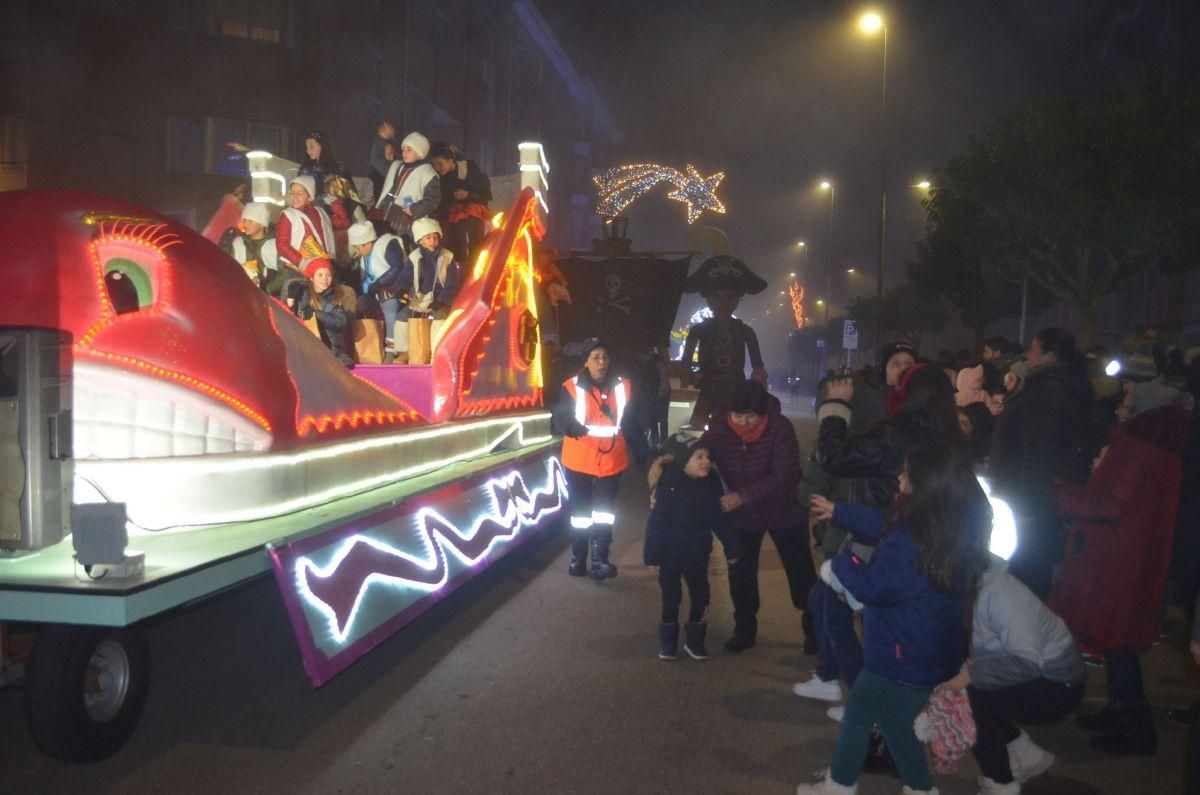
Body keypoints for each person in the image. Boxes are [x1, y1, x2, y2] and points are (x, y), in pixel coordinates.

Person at [798, 442, 990, 795]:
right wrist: (839, 511)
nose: (899, 477)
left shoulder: (910, 541)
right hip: (931, 653)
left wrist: (837, 566)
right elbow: (883, 522)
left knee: (858, 714)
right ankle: (918, 788)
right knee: (894, 722)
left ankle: (837, 788)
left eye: (906, 474)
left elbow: (874, 588)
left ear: (923, 485)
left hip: (900, 656)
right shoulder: (947, 525)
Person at [1049, 389, 1191, 756]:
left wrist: (1064, 496)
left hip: (1116, 560)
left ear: (1144, 411)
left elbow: (1112, 503)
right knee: (1117, 643)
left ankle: (1136, 729)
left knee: (1117, 644)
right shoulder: (1163, 448)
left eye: (1127, 403)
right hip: (1133, 557)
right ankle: (1118, 713)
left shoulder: (1135, 447)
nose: (1119, 408)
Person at [938, 553, 1085, 794]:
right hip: (1038, 673)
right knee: (974, 691)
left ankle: (1000, 783)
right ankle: (1024, 756)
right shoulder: (973, 587)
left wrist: (970, 676)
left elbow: (1027, 662)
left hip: (1061, 684)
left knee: (976, 705)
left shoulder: (1000, 593)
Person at [701, 379, 813, 653]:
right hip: (743, 517)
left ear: (762, 413)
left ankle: (815, 631)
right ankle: (744, 629)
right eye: (738, 416)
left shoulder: (779, 427)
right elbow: (698, 456)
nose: (744, 422)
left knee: (801, 574)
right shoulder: (719, 428)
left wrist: (742, 496)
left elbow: (784, 477)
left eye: (751, 416)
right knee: (741, 573)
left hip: (784, 511)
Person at [990, 327, 1091, 597]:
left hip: (1028, 498)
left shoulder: (1050, 390)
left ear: (1048, 354)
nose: (1028, 356)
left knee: (1026, 571)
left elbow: (1038, 450)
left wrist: (1026, 505)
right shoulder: (1047, 385)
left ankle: (1026, 632)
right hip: (1029, 494)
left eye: (1033, 349)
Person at [551, 339, 648, 580]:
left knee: (604, 512)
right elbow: (559, 416)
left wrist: (642, 449)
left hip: (611, 458)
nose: (601, 362)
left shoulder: (623, 386)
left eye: (605, 356)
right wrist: (569, 425)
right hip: (579, 458)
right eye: (595, 357)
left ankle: (600, 559)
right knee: (580, 513)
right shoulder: (571, 387)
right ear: (585, 361)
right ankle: (578, 558)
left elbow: (631, 420)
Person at [644, 434, 741, 661]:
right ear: (682, 461)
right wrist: (652, 557)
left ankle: (695, 641)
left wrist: (733, 548)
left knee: (702, 596)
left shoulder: (711, 485)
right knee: (671, 597)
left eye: (707, 456)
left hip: (698, 556)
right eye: (698, 457)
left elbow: (720, 520)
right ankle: (668, 642)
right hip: (670, 557)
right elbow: (656, 524)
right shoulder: (669, 488)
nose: (705, 461)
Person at [680, 256, 769, 428]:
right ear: (708, 298)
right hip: (708, 385)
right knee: (698, 425)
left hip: (735, 387)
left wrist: (758, 383)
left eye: (729, 297)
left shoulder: (745, 331)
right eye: (717, 297)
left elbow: (758, 366)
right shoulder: (699, 329)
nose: (723, 303)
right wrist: (688, 375)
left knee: (735, 426)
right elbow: (686, 362)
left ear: (737, 299)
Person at [395, 218, 460, 365]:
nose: (432, 241)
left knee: (440, 317)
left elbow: (452, 283)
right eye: (428, 238)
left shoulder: (447, 256)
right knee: (402, 316)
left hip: (439, 298)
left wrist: (442, 299)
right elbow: (405, 277)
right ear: (420, 240)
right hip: (420, 298)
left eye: (435, 237)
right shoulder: (415, 257)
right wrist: (402, 291)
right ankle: (404, 351)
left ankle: (436, 351)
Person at [347, 220, 408, 362]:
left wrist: (379, 283)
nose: (357, 251)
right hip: (372, 294)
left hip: (392, 291)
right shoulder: (364, 256)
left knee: (390, 310)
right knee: (357, 307)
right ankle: (363, 346)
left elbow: (397, 267)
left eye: (357, 247)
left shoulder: (387, 245)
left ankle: (391, 350)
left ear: (367, 243)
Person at [429, 142, 492, 267]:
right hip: (450, 216)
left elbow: (485, 192)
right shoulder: (438, 178)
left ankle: (475, 266)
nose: (437, 168)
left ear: (450, 161)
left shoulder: (468, 168)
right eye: (434, 165)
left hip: (472, 213)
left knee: (474, 243)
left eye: (440, 164)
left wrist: (467, 195)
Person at [285, 258, 357, 367]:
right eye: (320, 275)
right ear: (311, 278)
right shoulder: (302, 293)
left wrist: (316, 315)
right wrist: (292, 293)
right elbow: (289, 315)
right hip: (306, 350)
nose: (325, 279)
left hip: (333, 351)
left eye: (328, 275)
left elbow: (341, 322)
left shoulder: (337, 296)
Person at [372, 129, 440, 240]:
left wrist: (414, 209)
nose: (404, 153)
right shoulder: (397, 166)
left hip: (414, 220)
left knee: (413, 247)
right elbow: (377, 161)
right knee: (397, 245)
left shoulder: (428, 173)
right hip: (394, 216)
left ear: (420, 152)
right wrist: (381, 139)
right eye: (403, 149)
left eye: (409, 150)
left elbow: (433, 199)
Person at [275, 176, 335, 270]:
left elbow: (330, 233)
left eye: (299, 193)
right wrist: (301, 262)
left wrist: (330, 257)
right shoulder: (288, 215)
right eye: (292, 193)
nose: (294, 197)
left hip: (323, 265)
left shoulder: (320, 212)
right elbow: (282, 244)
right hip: (299, 268)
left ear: (310, 197)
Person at [228, 201, 278, 289]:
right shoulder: (237, 243)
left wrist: (265, 290)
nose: (246, 224)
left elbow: (283, 275)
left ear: (262, 224)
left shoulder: (274, 246)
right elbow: (230, 268)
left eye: (250, 221)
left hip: (264, 297)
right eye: (244, 220)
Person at [297, 130, 347, 200]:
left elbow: (343, 194)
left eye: (311, 146)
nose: (308, 151)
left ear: (322, 146)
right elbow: (297, 187)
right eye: (306, 147)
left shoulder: (337, 167)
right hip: (305, 205)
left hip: (329, 207)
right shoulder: (306, 167)